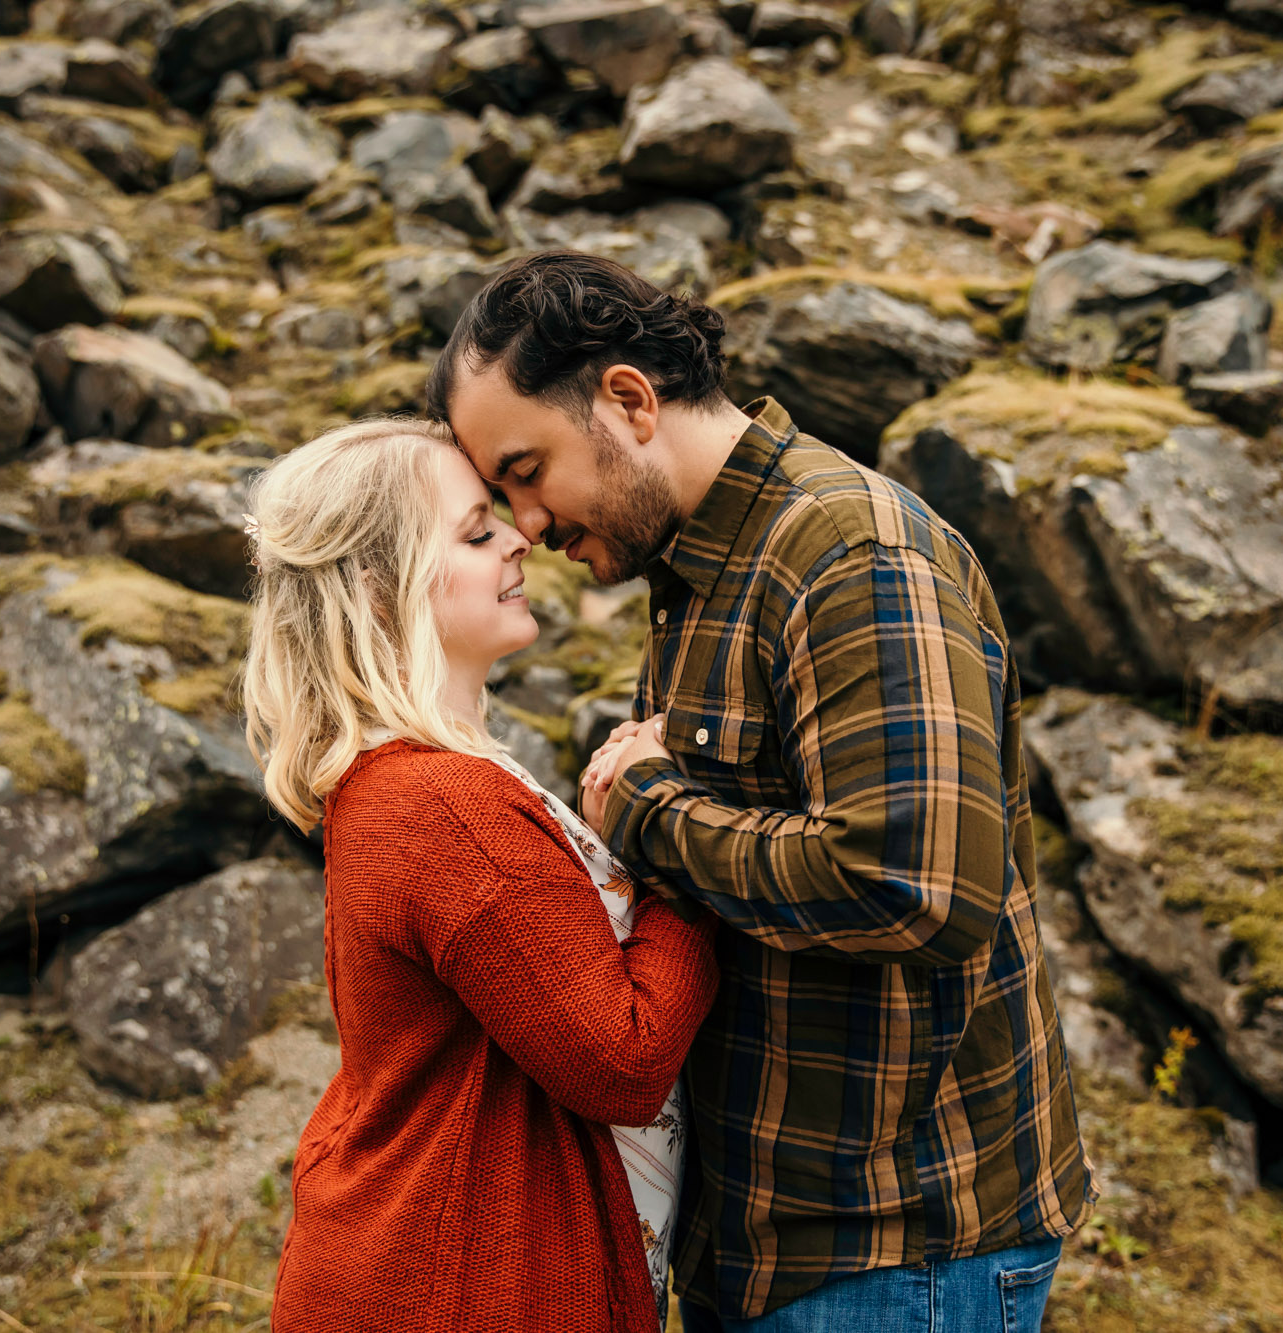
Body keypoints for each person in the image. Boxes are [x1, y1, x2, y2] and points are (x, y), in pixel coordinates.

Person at [426, 251, 1098, 1333]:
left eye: (524, 468)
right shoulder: (696, 566)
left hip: (891, 1248)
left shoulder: (851, 557)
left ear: (628, 401)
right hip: (772, 1237)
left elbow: (912, 885)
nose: (528, 525)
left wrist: (647, 810)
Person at [239, 416, 719, 1333]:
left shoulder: (410, 781)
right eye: (472, 531)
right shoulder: (440, 802)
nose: (518, 536)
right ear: (380, 596)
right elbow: (624, 1058)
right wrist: (675, 836)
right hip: (460, 1284)